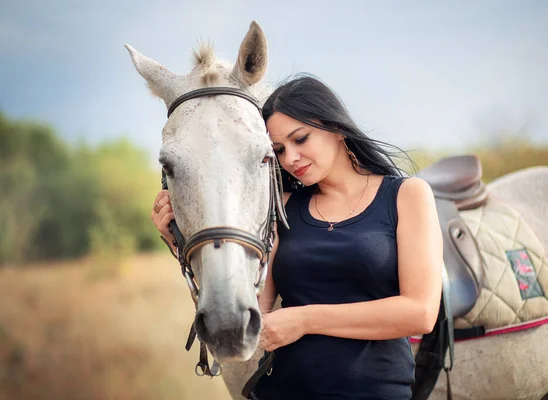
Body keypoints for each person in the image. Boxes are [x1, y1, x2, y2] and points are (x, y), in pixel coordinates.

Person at [151, 75, 443, 400]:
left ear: (337, 128)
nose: (289, 159)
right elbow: (251, 310)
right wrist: (179, 241)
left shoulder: (406, 195)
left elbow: (420, 313)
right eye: (278, 149)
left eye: (300, 139)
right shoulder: (283, 206)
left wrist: (304, 319)